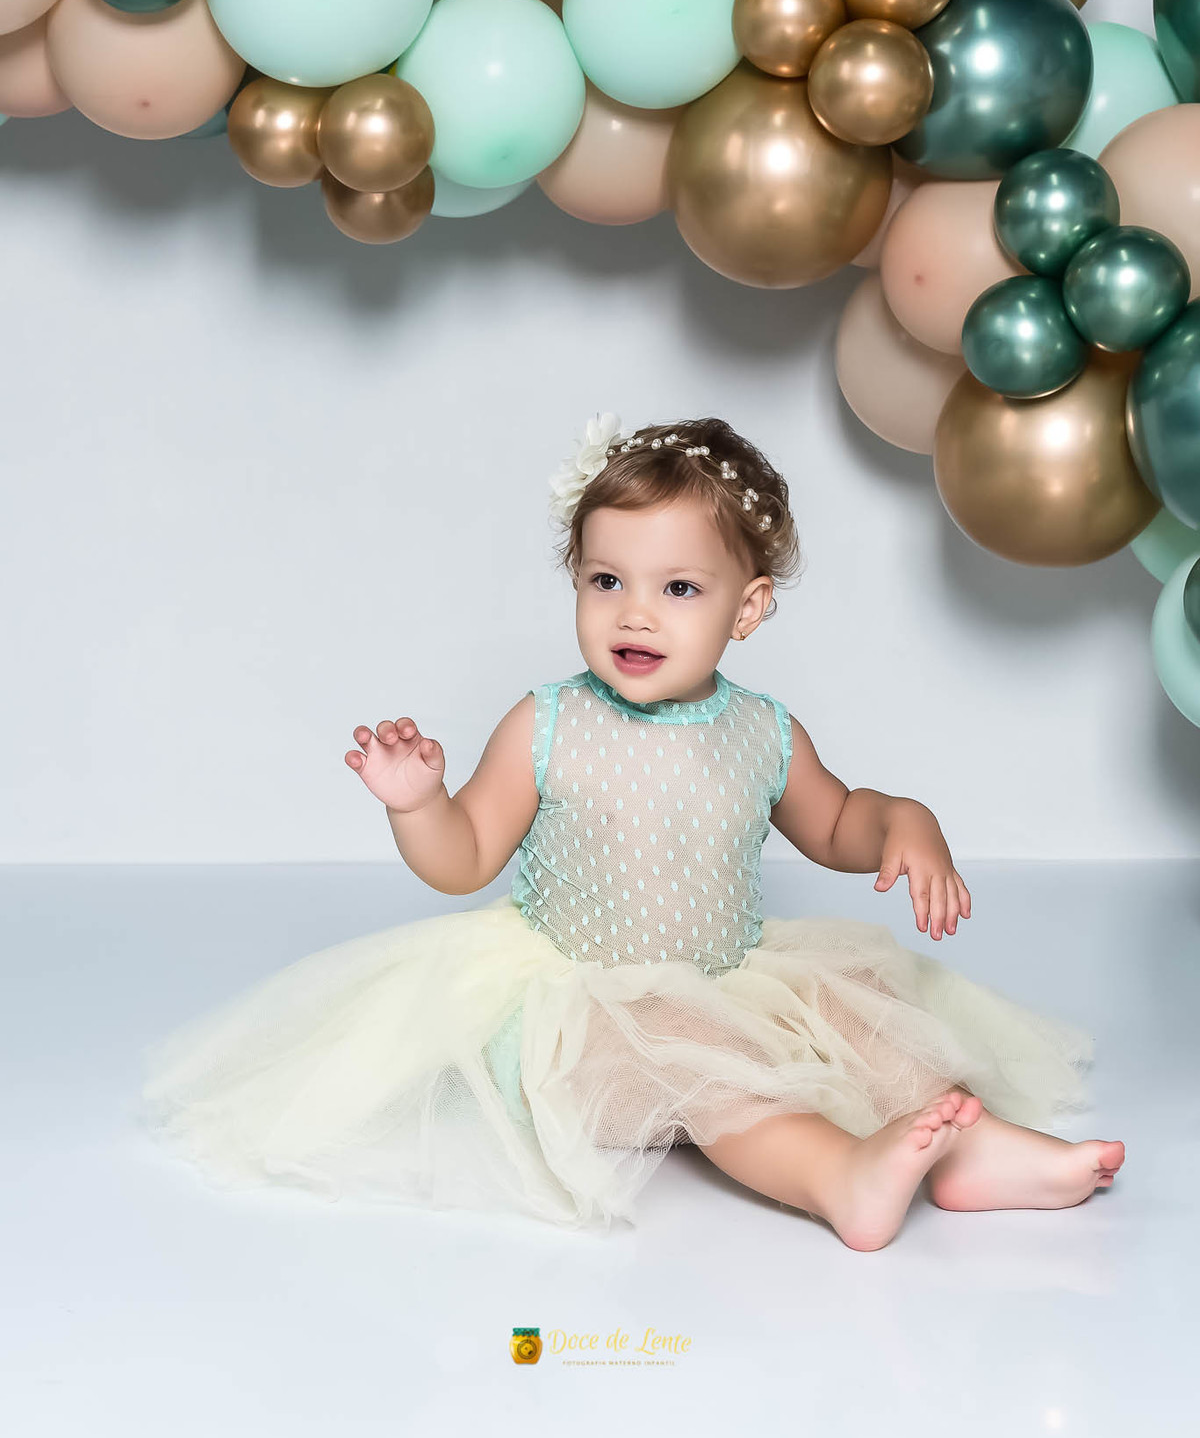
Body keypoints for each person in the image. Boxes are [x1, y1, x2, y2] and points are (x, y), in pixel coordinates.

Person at [140, 414, 1124, 1248]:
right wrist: (418, 804)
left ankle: (971, 1149)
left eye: (678, 589)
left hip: (727, 976)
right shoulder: (548, 723)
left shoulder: (763, 732)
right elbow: (464, 858)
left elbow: (836, 824)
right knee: (701, 1051)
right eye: (606, 580)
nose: (635, 614)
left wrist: (905, 821)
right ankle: (836, 1178)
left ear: (749, 608)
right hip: (583, 1014)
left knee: (865, 1006)